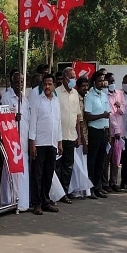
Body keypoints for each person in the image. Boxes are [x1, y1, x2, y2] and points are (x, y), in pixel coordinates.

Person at [28, 74, 62, 215]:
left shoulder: (56, 101)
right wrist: (32, 143)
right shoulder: (37, 101)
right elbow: (32, 123)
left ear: (54, 85)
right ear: (42, 86)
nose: (47, 87)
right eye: (45, 84)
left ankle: (45, 201)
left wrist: (59, 142)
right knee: (37, 174)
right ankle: (36, 203)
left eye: (50, 84)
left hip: (52, 142)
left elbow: (58, 122)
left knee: (48, 174)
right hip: (40, 143)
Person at [0, 71, 30, 212]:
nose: (20, 84)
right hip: (12, 141)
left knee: (22, 173)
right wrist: (13, 118)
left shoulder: (25, 99)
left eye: (22, 81)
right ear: (12, 83)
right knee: (11, 173)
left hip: (23, 140)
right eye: (17, 82)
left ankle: (23, 202)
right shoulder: (7, 97)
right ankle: (10, 201)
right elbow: (3, 118)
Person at [55, 67, 81, 203]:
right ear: (65, 78)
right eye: (72, 77)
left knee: (68, 166)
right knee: (57, 166)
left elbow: (78, 116)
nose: (74, 79)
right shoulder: (56, 93)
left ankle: (65, 192)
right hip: (59, 136)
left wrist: (79, 136)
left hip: (71, 135)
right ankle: (57, 193)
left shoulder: (75, 93)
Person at [84, 71, 110, 198]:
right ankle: (91, 189)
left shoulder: (104, 96)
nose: (102, 83)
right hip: (94, 131)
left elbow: (108, 115)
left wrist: (108, 131)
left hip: (104, 131)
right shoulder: (89, 96)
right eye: (100, 81)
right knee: (92, 161)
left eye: (103, 80)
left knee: (101, 161)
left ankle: (98, 186)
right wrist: (101, 115)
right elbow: (87, 116)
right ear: (94, 82)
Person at [104, 73, 126, 192]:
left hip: (119, 133)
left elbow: (124, 110)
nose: (112, 84)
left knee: (116, 159)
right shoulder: (104, 95)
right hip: (110, 131)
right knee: (107, 158)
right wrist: (116, 129)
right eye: (110, 81)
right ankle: (105, 182)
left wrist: (119, 106)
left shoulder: (119, 94)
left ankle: (113, 182)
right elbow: (109, 115)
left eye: (113, 81)